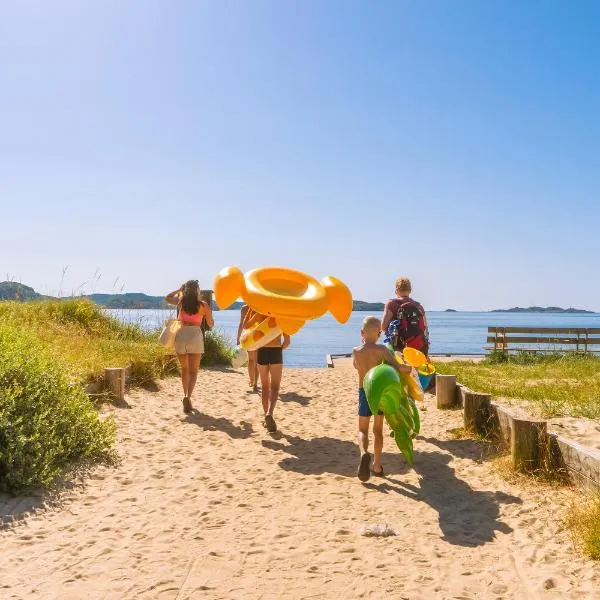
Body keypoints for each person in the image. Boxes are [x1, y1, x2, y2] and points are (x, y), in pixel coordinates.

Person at [352, 316, 410, 482]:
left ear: (362, 333)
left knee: (362, 429)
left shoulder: (356, 351)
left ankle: (364, 454)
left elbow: (356, 366)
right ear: (379, 333)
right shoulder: (382, 350)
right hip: (379, 393)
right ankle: (377, 466)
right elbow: (397, 367)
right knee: (378, 430)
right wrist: (410, 368)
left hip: (364, 392)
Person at [165, 280, 214, 414]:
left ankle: (185, 393)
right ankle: (188, 396)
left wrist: (178, 289)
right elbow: (210, 324)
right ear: (197, 290)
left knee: (185, 369)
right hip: (195, 336)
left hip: (181, 336)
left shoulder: (181, 302)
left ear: (185, 290)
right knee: (194, 371)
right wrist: (208, 318)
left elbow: (167, 298)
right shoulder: (203, 305)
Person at [243, 308, 290, 433]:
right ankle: (270, 413)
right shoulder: (281, 314)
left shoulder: (260, 312)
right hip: (276, 352)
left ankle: (265, 416)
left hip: (262, 351)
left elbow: (246, 326)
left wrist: (249, 311)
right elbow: (287, 341)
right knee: (275, 387)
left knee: (265, 386)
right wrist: (279, 348)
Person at [381, 276, 429, 356]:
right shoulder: (418, 306)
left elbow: (383, 326)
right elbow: (425, 328)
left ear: (396, 289)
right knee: (414, 368)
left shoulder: (392, 304)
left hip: (399, 347)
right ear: (410, 290)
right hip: (418, 347)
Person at [237, 304, 259, 392]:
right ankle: (255, 383)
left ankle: (252, 381)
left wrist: (238, 338)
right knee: (257, 361)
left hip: (249, 336)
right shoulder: (259, 307)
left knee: (251, 360)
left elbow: (241, 324)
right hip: (259, 335)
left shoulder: (244, 308)